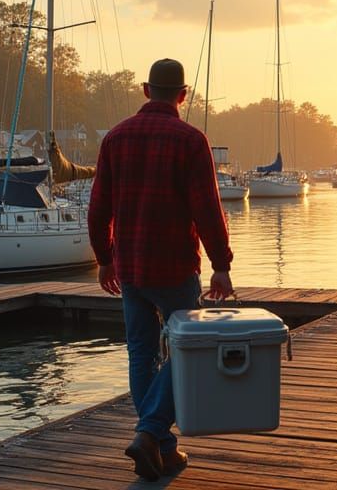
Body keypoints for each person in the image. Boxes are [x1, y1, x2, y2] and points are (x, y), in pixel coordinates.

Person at [88, 58, 234, 481]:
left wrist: (104, 258)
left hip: (130, 266)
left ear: (146, 89)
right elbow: (207, 209)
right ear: (183, 95)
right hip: (173, 267)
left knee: (141, 353)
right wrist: (221, 265)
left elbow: (98, 209)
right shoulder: (190, 140)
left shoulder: (115, 138)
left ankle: (160, 449)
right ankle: (152, 434)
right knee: (187, 352)